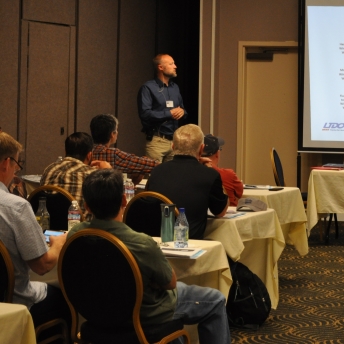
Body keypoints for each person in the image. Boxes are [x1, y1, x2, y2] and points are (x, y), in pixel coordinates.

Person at [69, 169, 230, 344]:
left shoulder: (75, 235)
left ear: (86, 206)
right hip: (144, 316)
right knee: (216, 300)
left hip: (96, 314)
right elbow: (170, 283)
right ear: (124, 200)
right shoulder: (141, 243)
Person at [0, 132, 72, 339]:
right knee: (67, 296)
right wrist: (58, 243)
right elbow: (42, 266)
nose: (15, 171)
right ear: (6, 163)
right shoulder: (16, 207)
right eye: (16, 164)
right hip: (14, 302)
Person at [146, 124, 228, 239]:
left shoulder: (156, 171)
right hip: (188, 243)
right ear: (202, 148)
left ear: (173, 146)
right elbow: (221, 212)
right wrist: (210, 170)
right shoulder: (210, 175)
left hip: (156, 241)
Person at [40, 132, 111, 213]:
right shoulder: (92, 175)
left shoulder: (49, 169)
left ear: (65, 151)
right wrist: (108, 172)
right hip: (81, 224)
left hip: (48, 224)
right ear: (89, 155)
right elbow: (112, 203)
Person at [137, 54, 186, 162]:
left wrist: (182, 111)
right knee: (154, 176)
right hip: (157, 141)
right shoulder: (148, 88)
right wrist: (169, 113)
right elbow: (144, 114)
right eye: (171, 64)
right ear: (160, 67)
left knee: (171, 177)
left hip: (174, 142)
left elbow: (182, 109)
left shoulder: (175, 88)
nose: (175, 66)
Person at [90, 114, 159, 182]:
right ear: (112, 134)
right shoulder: (114, 154)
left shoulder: (86, 151)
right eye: (116, 130)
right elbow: (153, 165)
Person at [201, 134, 243, 207]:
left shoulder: (192, 174)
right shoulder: (229, 174)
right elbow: (239, 193)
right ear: (217, 153)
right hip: (228, 215)